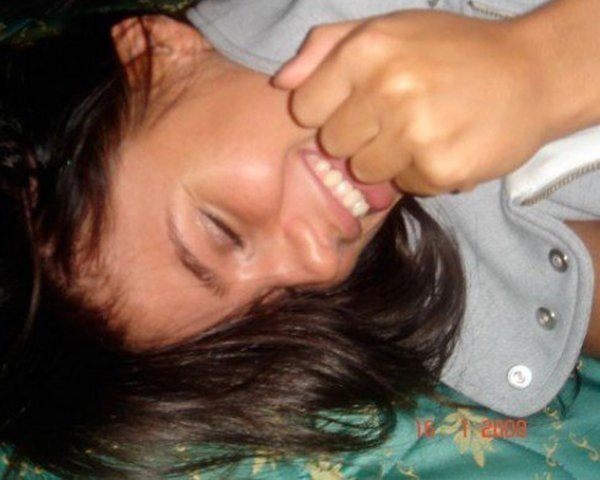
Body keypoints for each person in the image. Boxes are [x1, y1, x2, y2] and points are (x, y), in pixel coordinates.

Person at [0, 0, 597, 478]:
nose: (319, 265)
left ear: (154, 57)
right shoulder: (443, 282)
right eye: (276, 303)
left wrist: (544, 66)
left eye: (221, 229)